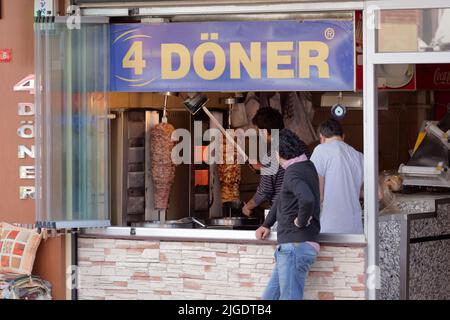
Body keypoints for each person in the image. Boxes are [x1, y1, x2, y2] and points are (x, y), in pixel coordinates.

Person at [256, 129, 320, 300]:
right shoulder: (306, 166)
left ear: (279, 153)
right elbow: (282, 200)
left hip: (294, 247)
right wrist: (266, 224)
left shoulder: (293, 172)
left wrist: (301, 221)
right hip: (292, 247)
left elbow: (307, 199)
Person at [242, 107, 310, 216]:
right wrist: (262, 169)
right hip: (304, 209)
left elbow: (264, 191)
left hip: (283, 212)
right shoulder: (302, 146)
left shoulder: (273, 153)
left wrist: (247, 207)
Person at [310, 119, 364, 234]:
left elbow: (318, 195)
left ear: (321, 137)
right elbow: (372, 193)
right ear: (343, 136)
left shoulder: (320, 150)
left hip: (329, 225)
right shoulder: (359, 156)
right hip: (355, 226)